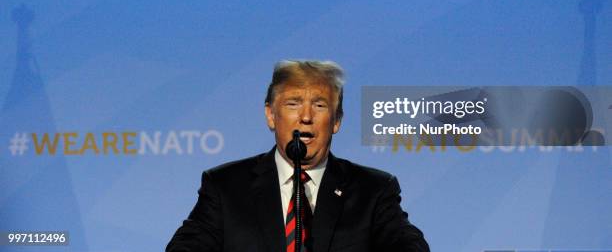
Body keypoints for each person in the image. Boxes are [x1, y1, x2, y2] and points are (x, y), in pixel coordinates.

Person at [166, 60, 429, 252]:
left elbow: (407, 245)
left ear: (336, 121)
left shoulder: (373, 190)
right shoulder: (225, 186)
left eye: (319, 105)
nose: (305, 116)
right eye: (293, 103)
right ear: (271, 115)